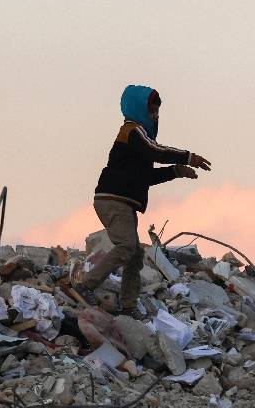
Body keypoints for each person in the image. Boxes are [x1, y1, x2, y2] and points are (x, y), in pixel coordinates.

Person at [75, 85, 210, 315]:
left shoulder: (139, 142)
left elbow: (145, 177)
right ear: (139, 109)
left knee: (135, 254)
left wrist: (176, 171)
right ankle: (84, 286)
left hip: (123, 203)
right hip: (112, 200)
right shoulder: (132, 131)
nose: (156, 116)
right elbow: (156, 151)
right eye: (152, 111)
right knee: (127, 246)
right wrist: (188, 157)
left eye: (157, 111)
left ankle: (128, 306)